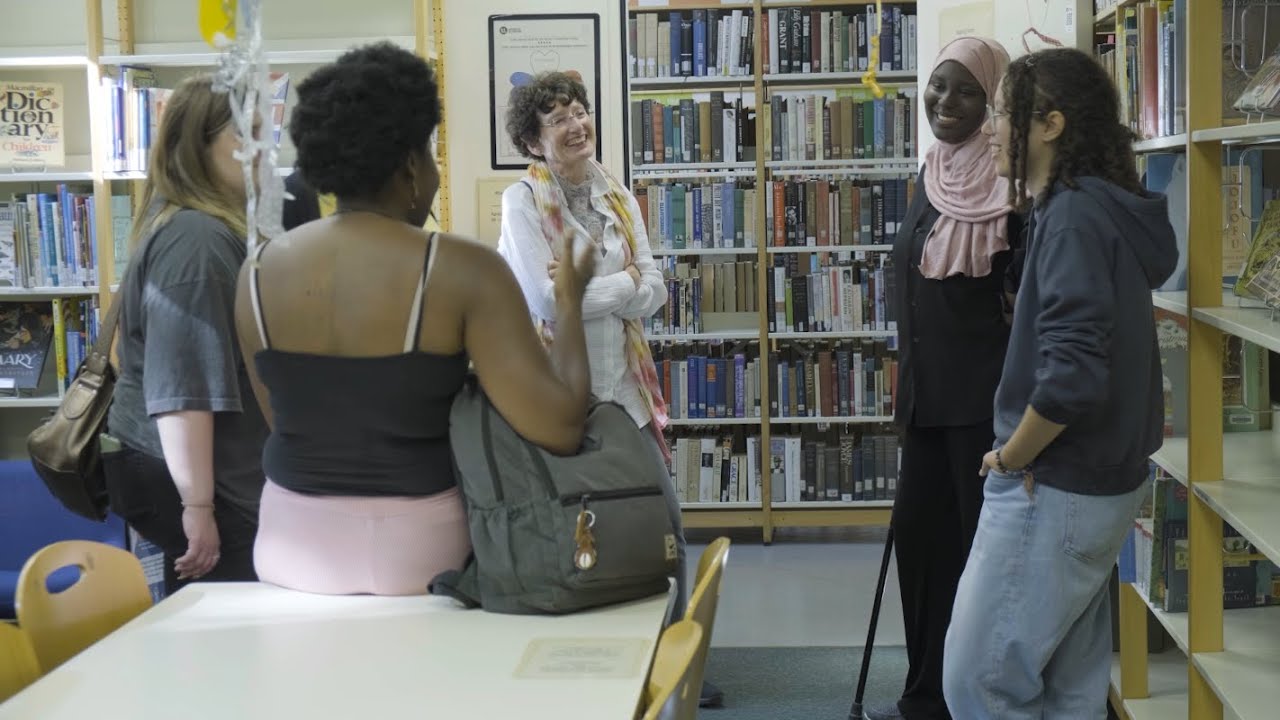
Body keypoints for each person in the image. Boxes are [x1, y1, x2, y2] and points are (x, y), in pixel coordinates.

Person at [234, 42, 597, 596]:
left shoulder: (256, 272)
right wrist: (569, 301)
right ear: (409, 164)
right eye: (430, 154)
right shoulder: (463, 269)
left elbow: (280, 417)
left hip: (288, 541)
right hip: (419, 546)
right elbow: (560, 428)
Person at [942, 47, 1176, 718]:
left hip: (1054, 483)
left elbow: (1073, 373)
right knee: (1070, 690)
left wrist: (1011, 456)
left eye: (1002, 115)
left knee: (978, 681)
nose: (990, 129)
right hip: (1100, 483)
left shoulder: (1072, 216)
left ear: (1050, 125)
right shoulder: (1099, 207)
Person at [496, 71, 720, 707]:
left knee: (665, 521)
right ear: (533, 140)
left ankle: (676, 658)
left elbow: (656, 289)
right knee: (575, 529)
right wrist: (624, 287)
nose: (576, 125)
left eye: (580, 111)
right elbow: (545, 300)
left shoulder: (616, 192)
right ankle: (590, 667)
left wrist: (596, 289)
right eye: (558, 119)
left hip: (625, 388)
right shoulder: (521, 202)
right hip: (558, 394)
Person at [867, 36, 1019, 720]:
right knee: (922, 549)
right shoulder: (929, 175)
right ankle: (925, 694)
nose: (946, 101)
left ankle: (975, 698)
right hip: (925, 405)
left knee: (981, 565)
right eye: (938, 85)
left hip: (986, 412)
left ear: (992, 100)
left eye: (965, 90)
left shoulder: (1012, 190)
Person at [101, 74, 269, 595]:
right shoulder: (197, 241)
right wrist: (198, 507)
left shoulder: (197, 228)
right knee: (222, 624)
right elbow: (183, 391)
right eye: (246, 135)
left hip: (201, 476)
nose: (262, 150)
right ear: (200, 146)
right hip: (197, 483)